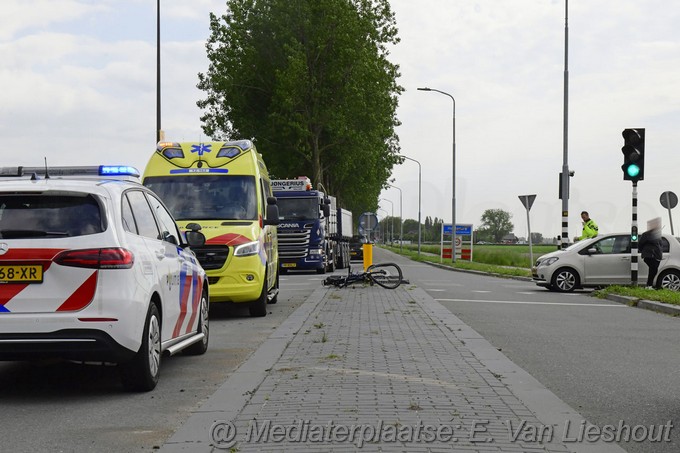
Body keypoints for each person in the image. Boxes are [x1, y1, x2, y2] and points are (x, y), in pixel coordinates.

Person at [639, 217, 663, 289]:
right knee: (653, 269)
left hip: (656, 256)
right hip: (649, 256)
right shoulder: (646, 234)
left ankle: (651, 285)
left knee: (654, 270)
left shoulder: (658, 235)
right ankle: (649, 286)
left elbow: (660, 246)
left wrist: (659, 255)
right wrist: (645, 252)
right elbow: (640, 245)